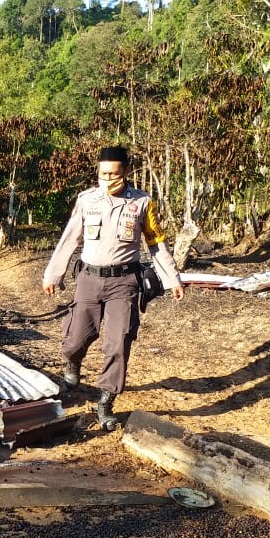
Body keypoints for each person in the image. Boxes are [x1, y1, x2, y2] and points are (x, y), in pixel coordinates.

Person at [41, 146, 184, 429]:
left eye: (115, 174)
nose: (109, 179)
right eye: (104, 173)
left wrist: (172, 279)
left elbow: (156, 243)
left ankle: (105, 400)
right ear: (98, 171)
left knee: (119, 342)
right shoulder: (86, 200)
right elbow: (69, 239)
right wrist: (53, 274)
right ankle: (73, 361)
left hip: (124, 283)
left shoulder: (142, 203)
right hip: (89, 280)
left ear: (127, 172)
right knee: (76, 339)